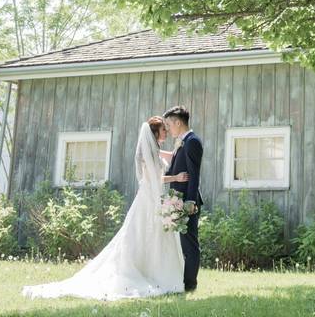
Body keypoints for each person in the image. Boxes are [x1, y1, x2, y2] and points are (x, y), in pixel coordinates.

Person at [22, 117, 189, 300]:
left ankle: (156, 272)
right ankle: (144, 272)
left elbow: (170, 155)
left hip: (153, 198)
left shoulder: (155, 150)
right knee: (143, 235)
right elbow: (154, 179)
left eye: (166, 129)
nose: (166, 132)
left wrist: (181, 146)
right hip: (148, 200)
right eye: (163, 130)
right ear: (155, 133)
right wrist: (176, 178)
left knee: (152, 236)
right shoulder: (146, 154)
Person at [162, 105, 203, 292]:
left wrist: (190, 202)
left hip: (186, 201)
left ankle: (190, 285)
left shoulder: (192, 141)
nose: (168, 128)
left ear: (178, 122)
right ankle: (182, 281)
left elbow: (194, 175)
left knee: (190, 245)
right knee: (180, 244)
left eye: (169, 124)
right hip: (176, 199)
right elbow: (173, 170)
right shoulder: (181, 142)